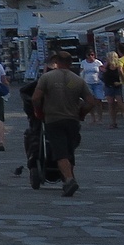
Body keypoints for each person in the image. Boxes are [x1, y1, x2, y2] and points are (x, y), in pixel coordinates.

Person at [34, 51, 100, 196]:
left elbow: (35, 98)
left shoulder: (47, 78)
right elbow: (90, 102)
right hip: (72, 120)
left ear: (56, 62)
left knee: (60, 152)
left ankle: (69, 180)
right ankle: (69, 176)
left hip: (53, 119)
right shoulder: (77, 80)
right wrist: (81, 113)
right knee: (70, 150)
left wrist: (39, 111)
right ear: (70, 63)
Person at [101, 53, 124, 128]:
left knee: (120, 103)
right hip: (108, 86)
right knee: (111, 104)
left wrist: (121, 82)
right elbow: (103, 74)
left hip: (117, 86)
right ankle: (113, 122)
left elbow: (122, 75)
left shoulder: (118, 65)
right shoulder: (106, 65)